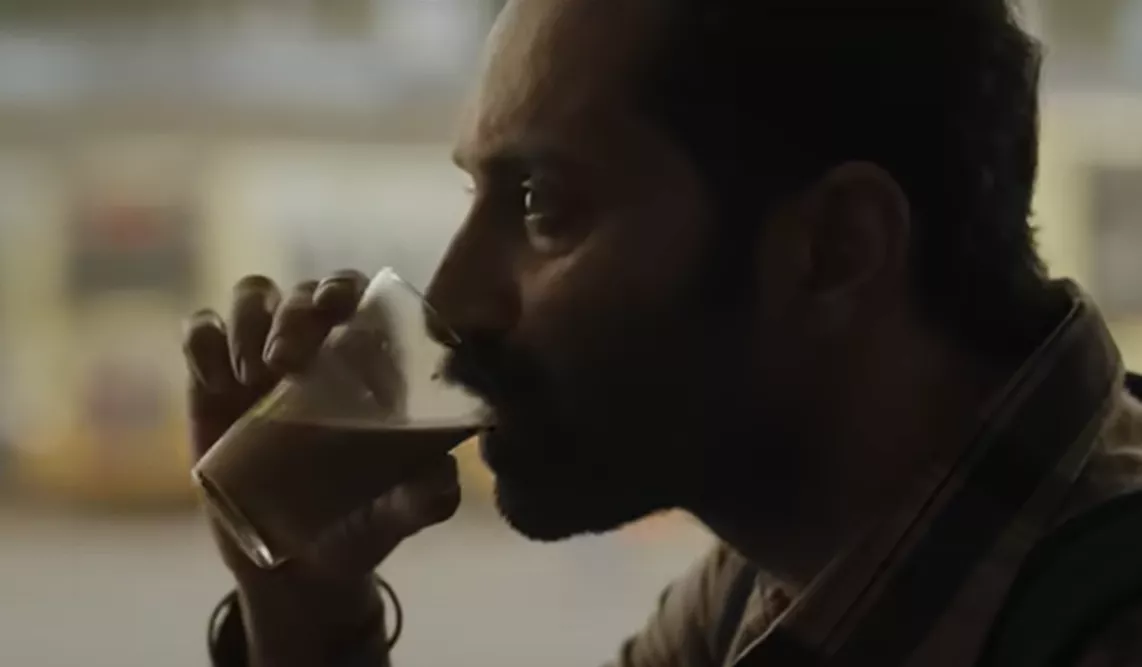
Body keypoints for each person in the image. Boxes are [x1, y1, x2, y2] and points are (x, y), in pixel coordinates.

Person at [181, 0, 1142, 665]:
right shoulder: (785, 572)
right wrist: (306, 611)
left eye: (544, 205)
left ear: (836, 249)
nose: (455, 300)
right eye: (478, 193)